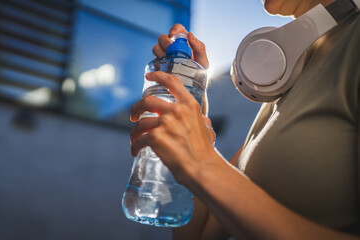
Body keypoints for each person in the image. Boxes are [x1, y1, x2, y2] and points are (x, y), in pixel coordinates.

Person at [129, 0, 360, 239]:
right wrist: (191, 104)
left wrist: (202, 164)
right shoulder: (292, 69)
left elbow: (207, 170)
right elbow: (198, 233)